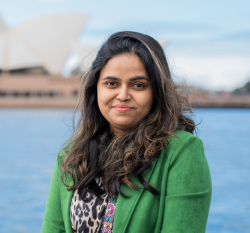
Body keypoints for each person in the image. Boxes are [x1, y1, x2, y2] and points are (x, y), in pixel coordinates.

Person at [42, 31, 212, 233]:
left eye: (138, 85)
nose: (123, 95)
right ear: (95, 89)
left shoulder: (181, 152)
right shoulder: (71, 155)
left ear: (156, 92)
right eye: (111, 83)